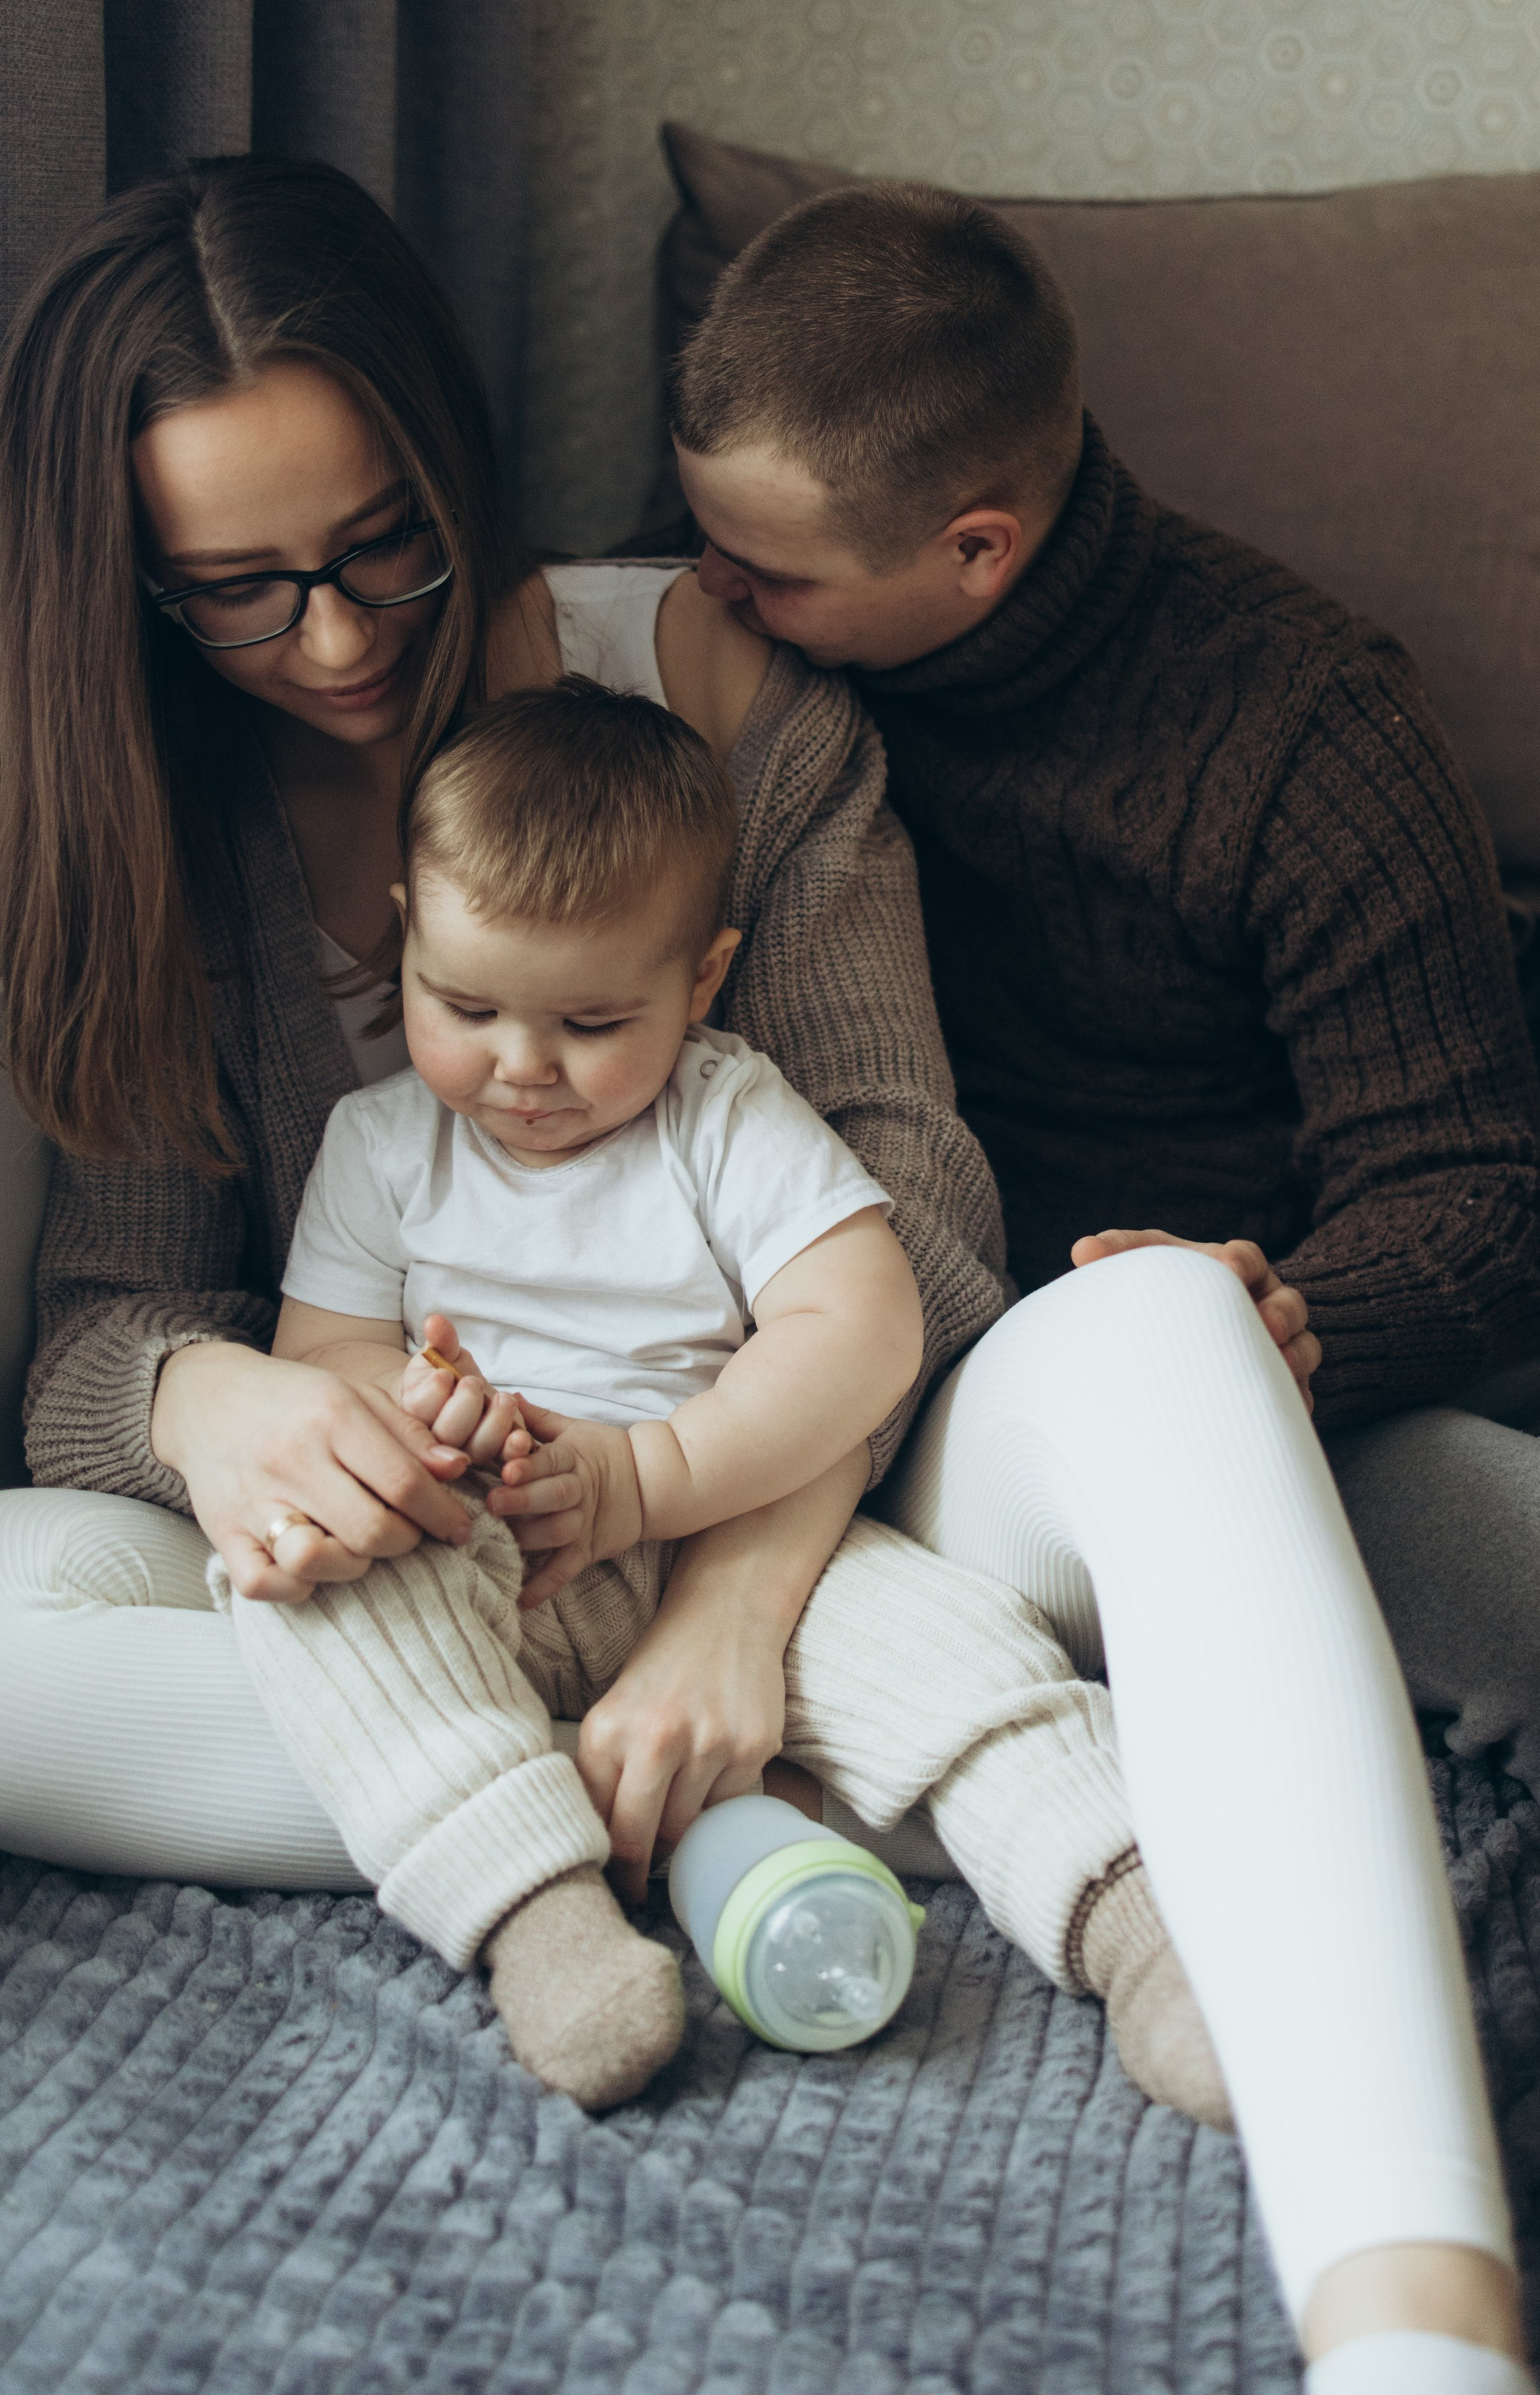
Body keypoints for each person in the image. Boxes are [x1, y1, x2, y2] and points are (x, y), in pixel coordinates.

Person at [0, 155, 1529, 2395]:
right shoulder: (149, 824)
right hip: (469, 1567)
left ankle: (1414, 2307)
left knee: (1174, 1326)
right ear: (126, 581)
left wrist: (720, 1599)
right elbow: (100, 1343)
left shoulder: (701, 683)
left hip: (840, 1473)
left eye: (387, 545)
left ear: (451, 465)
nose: (340, 641)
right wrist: (234, 1410)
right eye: (236, 591)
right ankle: (753, 1811)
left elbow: (913, 1211)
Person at [247, 673, 1198, 2116]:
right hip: (480, 1548)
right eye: (464, 1005)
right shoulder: (377, 1146)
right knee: (311, 1588)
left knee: (956, 1654)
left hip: (723, 1535)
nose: (522, 1069)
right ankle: (536, 1913)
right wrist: (419, 1410)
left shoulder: (723, 1111)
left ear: (698, 983)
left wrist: (650, 1477)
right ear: (406, 938)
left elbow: (862, 1322)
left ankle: (1141, 1921)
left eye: (590, 1021)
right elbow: (319, 1355)